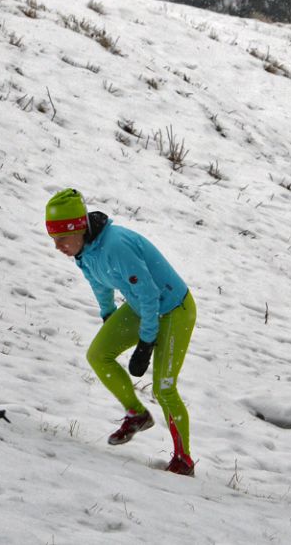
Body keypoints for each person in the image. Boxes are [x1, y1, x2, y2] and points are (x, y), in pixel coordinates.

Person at [45, 189, 197, 476]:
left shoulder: (115, 246)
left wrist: (146, 342)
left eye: (61, 239)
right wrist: (108, 315)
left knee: (163, 388)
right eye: (54, 241)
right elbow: (100, 285)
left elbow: (151, 294)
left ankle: (183, 459)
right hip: (142, 306)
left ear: (76, 229)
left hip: (173, 309)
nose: (58, 247)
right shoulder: (84, 252)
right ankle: (136, 414)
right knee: (98, 354)